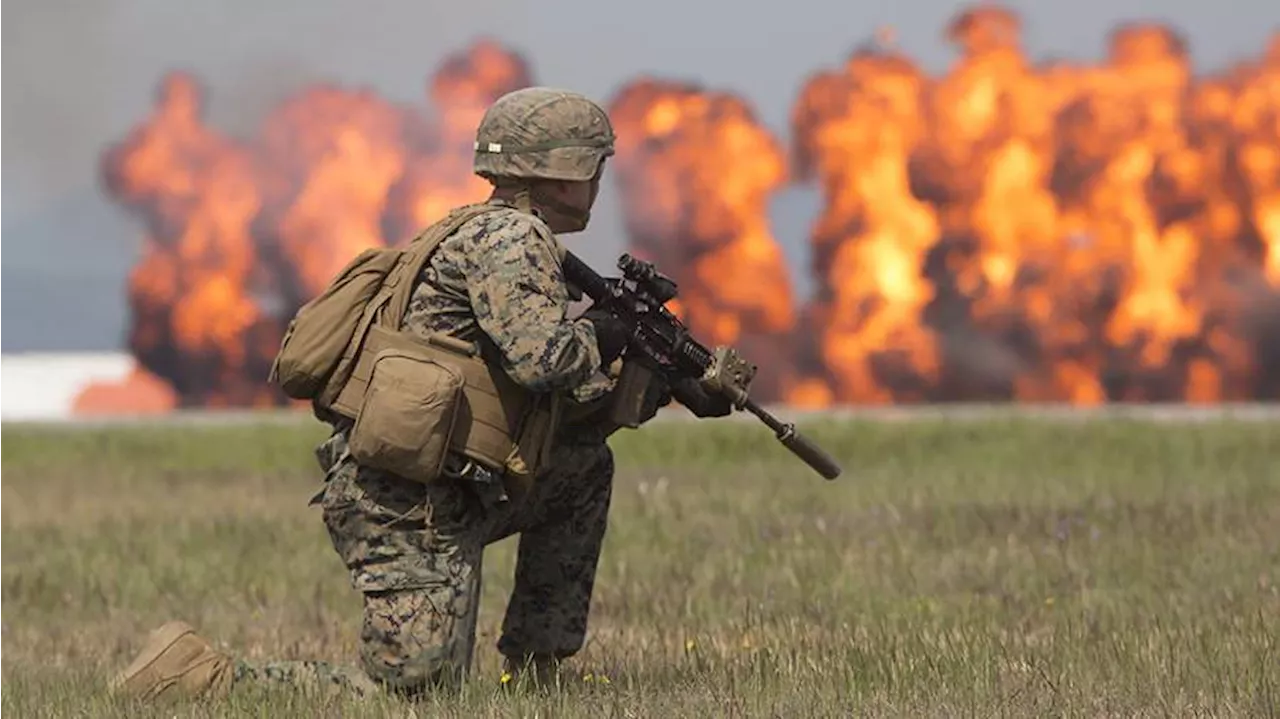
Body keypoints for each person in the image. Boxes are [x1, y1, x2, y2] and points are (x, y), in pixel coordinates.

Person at [111, 86, 730, 703]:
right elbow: (546, 363)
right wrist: (608, 330)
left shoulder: (488, 231)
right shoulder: (512, 242)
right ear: (561, 172)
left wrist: (663, 386)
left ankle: (539, 676)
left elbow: (556, 413)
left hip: (453, 484)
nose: (599, 184)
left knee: (581, 469)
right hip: (404, 504)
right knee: (413, 692)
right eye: (594, 167)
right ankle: (195, 677)